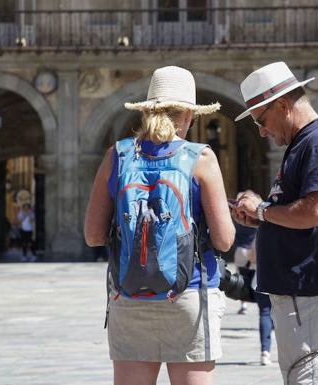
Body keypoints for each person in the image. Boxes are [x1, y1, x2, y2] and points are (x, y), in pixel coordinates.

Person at [84, 65, 235, 385]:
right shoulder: (201, 157)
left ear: (146, 111)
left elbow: (93, 235)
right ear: (190, 116)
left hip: (128, 295)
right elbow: (223, 241)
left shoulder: (118, 155)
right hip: (190, 293)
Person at [231, 62, 318, 385]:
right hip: (303, 293)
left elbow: (317, 212)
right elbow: (301, 214)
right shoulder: (305, 142)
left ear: (283, 106)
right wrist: (263, 218)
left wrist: (261, 210)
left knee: (311, 374)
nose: (261, 131)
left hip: (310, 290)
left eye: (261, 120)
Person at [247, 235, 274, 366]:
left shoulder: (261, 232)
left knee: (265, 314)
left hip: (261, 280)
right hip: (283, 281)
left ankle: (265, 352)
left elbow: (252, 257)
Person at [233, 223, 257, 314]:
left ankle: (243, 306)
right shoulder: (256, 219)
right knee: (256, 276)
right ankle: (261, 302)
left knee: (240, 278)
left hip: (241, 249)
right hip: (254, 249)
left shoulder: (238, 221)